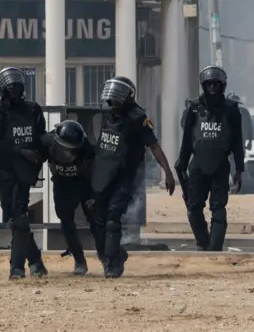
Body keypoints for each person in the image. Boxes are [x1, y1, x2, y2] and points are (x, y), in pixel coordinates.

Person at [91, 76, 176, 278]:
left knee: (113, 218)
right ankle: (114, 255)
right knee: (98, 220)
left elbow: (154, 145)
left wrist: (168, 172)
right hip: (103, 173)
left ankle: (112, 265)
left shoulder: (138, 118)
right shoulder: (106, 113)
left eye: (117, 98)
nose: (113, 103)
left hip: (125, 175)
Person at [0, 66, 48, 280]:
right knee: (14, 217)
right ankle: (36, 262)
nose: (15, 93)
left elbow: (40, 139)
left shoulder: (33, 110)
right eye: (11, 89)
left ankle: (17, 268)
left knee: (19, 216)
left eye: (17, 88)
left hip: (24, 173)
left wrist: (40, 154)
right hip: (5, 171)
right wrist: (20, 151)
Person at [175, 66, 245, 251]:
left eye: (216, 83)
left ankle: (215, 250)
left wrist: (239, 169)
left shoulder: (231, 109)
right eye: (209, 84)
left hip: (221, 164)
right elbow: (187, 140)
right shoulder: (194, 108)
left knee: (218, 208)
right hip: (197, 164)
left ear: (223, 85)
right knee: (194, 207)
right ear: (203, 85)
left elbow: (238, 141)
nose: (212, 87)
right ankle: (202, 242)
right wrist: (181, 165)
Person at [40, 119, 97, 276]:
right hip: (62, 184)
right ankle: (79, 259)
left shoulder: (86, 147)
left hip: (83, 184)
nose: (66, 154)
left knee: (96, 220)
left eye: (70, 150)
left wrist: (94, 196)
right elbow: (36, 157)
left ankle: (108, 256)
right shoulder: (46, 141)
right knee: (66, 223)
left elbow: (95, 173)